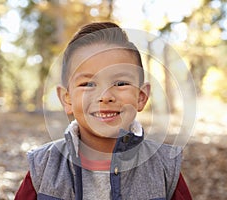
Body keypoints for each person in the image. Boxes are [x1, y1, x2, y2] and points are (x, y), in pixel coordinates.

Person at [15, 22, 192, 200]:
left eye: (120, 83)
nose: (105, 96)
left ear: (141, 97)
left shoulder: (165, 167)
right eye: (88, 84)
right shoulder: (43, 167)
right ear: (67, 99)